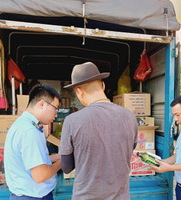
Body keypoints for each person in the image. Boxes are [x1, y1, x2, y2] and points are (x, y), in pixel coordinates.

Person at [59, 62, 138, 200]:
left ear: (78, 91)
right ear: (103, 85)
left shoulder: (72, 121)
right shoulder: (129, 117)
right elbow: (128, 151)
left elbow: (66, 167)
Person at [4, 84, 62, 200]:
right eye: (55, 108)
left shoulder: (22, 124)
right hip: (32, 197)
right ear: (42, 104)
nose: (56, 114)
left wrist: (59, 156)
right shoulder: (30, 131)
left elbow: (33, 160)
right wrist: (63, 162)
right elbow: (41, 175)